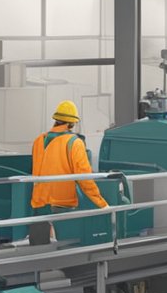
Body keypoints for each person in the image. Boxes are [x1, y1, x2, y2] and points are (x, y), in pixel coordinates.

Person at [30, 100, 108, 243]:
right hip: (62, 204)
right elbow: (85, 178)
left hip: (39, 203)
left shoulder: (38, 141)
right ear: (72, 123)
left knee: (39, 254)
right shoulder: (75, 142)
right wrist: (102, 204)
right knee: (65, 252)